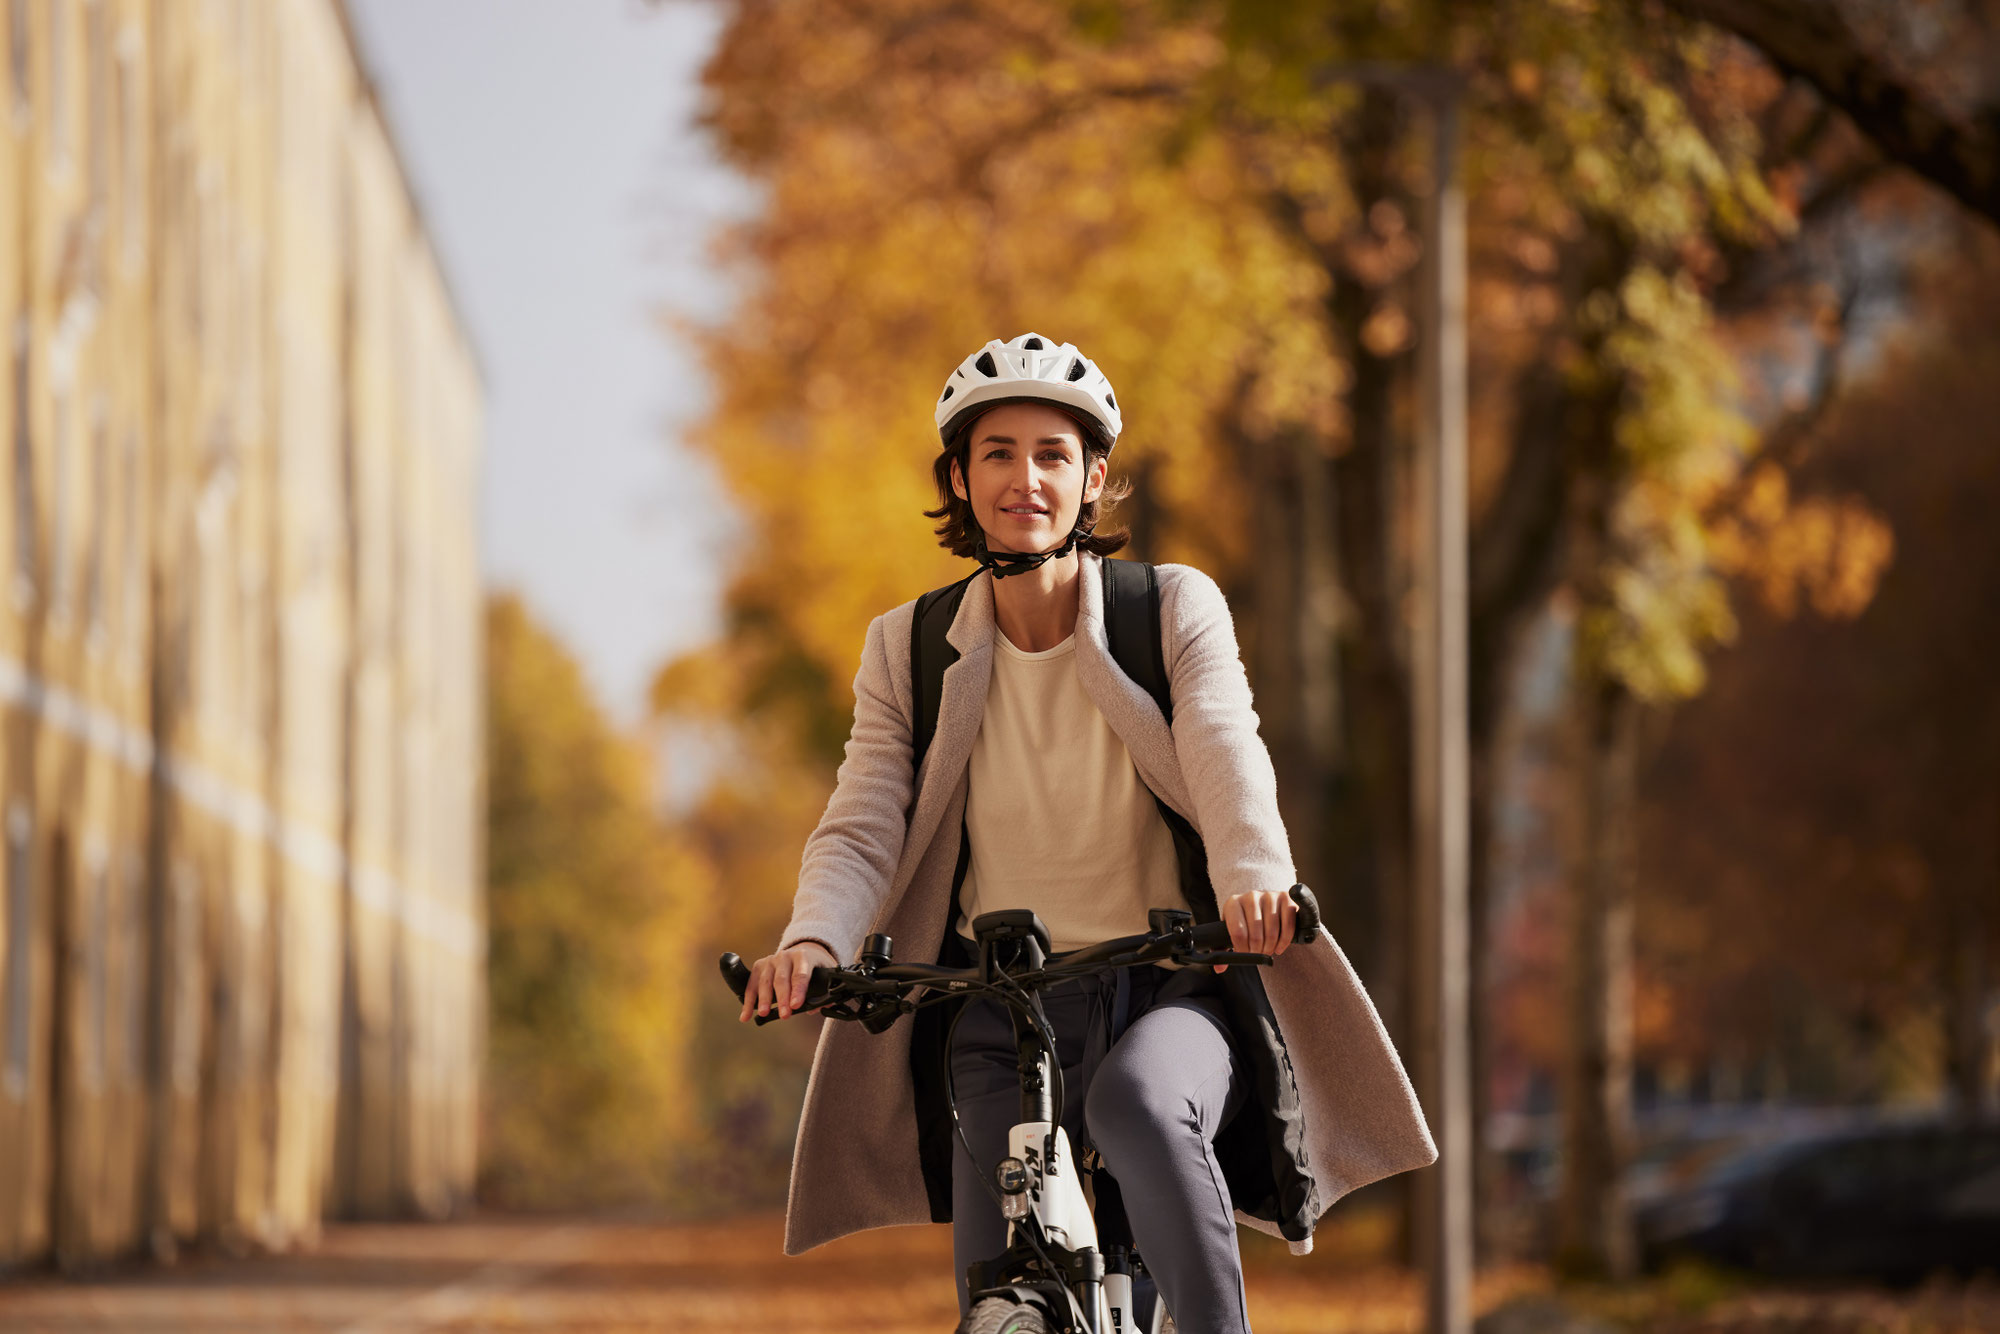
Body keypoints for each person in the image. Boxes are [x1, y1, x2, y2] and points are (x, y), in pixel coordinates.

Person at [739, 334, 1435, 1331]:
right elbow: (861, 821)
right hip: (995, 1004)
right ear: (958, 478)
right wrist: (814, 937)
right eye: (996, 452)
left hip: (1169, 982)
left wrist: (1254, 877)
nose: (1025, 476)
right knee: (1001, 1297)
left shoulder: (1167, 608)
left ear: (1092, 478)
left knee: (1139, 1104)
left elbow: (1224, 748)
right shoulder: (906, 648)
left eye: (1052, 454)